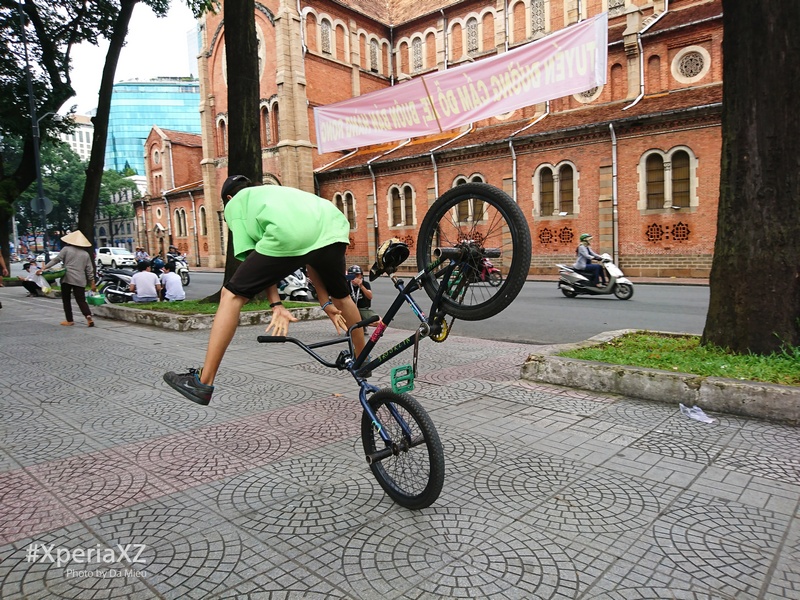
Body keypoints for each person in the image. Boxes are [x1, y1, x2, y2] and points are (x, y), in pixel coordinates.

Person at [163, 175, 366, 406]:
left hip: (291, 235)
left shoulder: (235, 204)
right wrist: (325, 302)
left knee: (230, 295)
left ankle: (202, 381)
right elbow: (312, 255)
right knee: (343, 297)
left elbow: (255, 255)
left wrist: (276, 303)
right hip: (334, 225)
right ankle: (362, 359)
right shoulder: (279, 195)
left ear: (228, 198)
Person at [38, 230, 96, 327]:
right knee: (81, 300)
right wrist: (92, 281)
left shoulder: (66, 249)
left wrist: (44, 268)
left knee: (66, 299)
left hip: (67, 278)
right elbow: (89, 269)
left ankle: (69, 320)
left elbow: (56, 260)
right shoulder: (85, 254)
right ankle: (88, 316)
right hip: (80, 279)